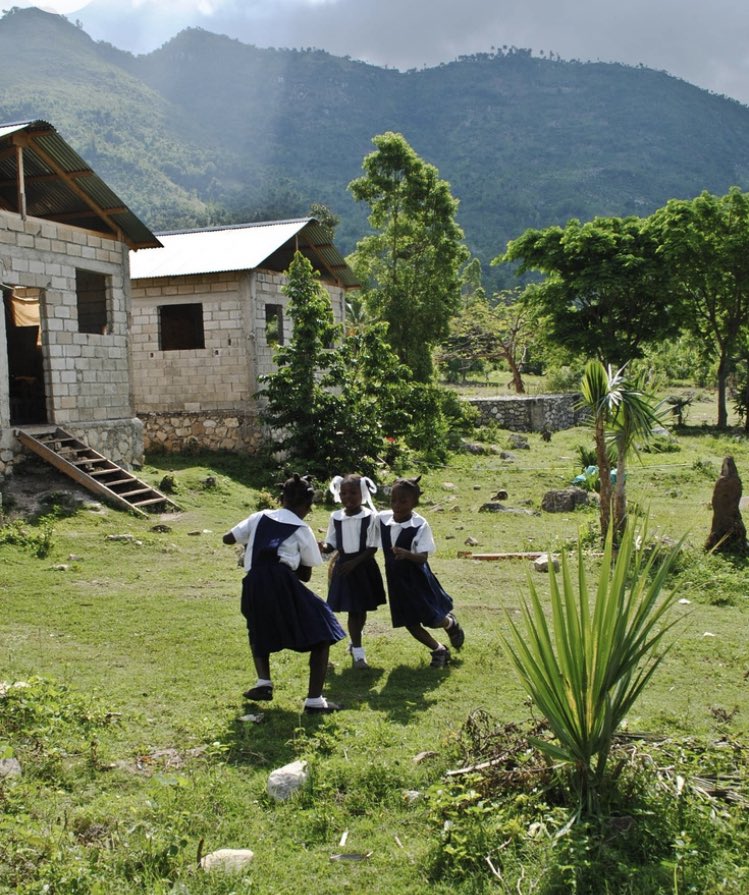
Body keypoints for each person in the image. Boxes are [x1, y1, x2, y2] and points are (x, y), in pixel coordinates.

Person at [222, 473, 345, 713]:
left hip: (253, 581)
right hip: (280, 580)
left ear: (281, 498)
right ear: (308, 506)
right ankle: (314, 701)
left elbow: (228, 538)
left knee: (258, 627)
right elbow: (306, 575)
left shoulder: (258, 516)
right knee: (323, 630)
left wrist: (253, 544)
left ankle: (263, 683)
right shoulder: (301, 528)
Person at [379, 476, 465, 667]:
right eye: (393, 500)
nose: (397, 505)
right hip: (396, 582)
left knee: (432, 619)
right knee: (410, 622)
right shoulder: (383, 519)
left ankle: (450, 624)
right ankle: (439, 650)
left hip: (417, 580)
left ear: (414, 502)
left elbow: (423, 558)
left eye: (403, 501)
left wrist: (406, 554)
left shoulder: (420, 525)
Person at [319, 474, 386, 669]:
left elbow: (372, 547)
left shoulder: (370, 517)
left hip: (363, 567)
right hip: (344, 569)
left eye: (353, 493)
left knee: (360, 610)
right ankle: (358, 653)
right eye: (344, 493)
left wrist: (355, 562)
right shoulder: (336, 517)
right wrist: (322, 547)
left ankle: (355, 643)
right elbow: (331, 543)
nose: (348, 497)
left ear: (363, 493)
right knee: (353, 611)